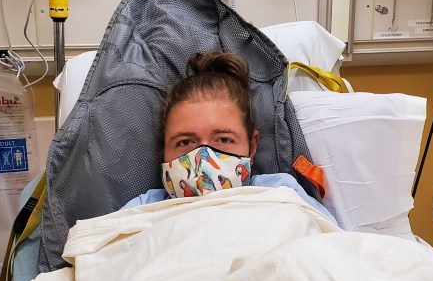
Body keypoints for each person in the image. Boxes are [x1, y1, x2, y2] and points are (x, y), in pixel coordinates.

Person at [124, 50, 337, 223]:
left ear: (252, 147)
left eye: (224, 139)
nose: (203, 160)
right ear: (164, 150)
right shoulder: (140, 211)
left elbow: (330, 243)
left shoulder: (282, 193)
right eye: (185, 142)